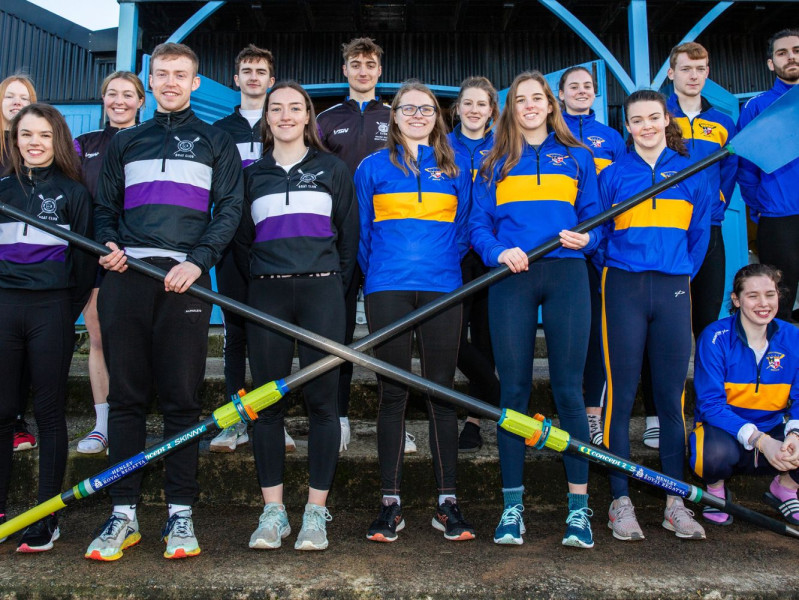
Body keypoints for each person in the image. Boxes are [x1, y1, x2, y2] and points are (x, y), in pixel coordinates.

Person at [86, 42, 243, 561]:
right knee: (128, 399)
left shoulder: (215, 139)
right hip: (128, 277)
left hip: (187, 281)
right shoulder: (126, 141)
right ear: (149, 82)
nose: (171, 82)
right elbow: (103, 209)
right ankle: (123, 514)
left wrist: (197, 262)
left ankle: (180, 515)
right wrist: (109, 247)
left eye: (181, 75)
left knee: (181, 400)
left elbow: (229, 210)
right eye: (162, 74)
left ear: (196, 83)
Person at [471, 70, 600, 548]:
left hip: (567, 273)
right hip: (513, 278)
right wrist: (497, 252)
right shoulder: (492, 161)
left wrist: (589, 238)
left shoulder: (580, 158)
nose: (528, 106)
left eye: (536, 98)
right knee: (515, 394)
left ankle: (579, 510)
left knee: (569, 390)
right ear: (511, 108)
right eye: (519, 99)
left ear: (551, 104)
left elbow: (596, 219)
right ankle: (511, 508)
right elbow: (478, 226)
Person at [234, 81, 357, 552]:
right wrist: (270, 277)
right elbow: (242, 244)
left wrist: (327, 284)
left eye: (294, 108)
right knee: (267, 405)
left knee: (324, 405)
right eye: (276, 109)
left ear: (309, 116)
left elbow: (349, 240)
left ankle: (314, 514)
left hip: (323, 293)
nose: (285, 115)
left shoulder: (332, 168)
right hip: (267, 298)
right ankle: (274, 512)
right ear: (267, 118)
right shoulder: (252, 175)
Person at [356, 80, 474, 543]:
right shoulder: (370, 167)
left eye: (426, 109)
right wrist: (382, 272)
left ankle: (447, 503)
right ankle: (390, 504)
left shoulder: (458, 166)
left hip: (443, 287)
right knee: (392, 394)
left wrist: (439, 263)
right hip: (387, 288)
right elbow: (362, 234)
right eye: (408, 108)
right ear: (394, 115)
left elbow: (464, 231)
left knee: (441, 393)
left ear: (438, 116)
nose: (418, 115)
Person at [599, 90, 711, 542]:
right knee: (621, 396)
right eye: (636, 119)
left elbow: (700, 235)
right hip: (623, 287)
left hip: (673, 288)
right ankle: (619, 500)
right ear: (627, 125)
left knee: (669, 397)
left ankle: (673, 501)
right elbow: (599, 235)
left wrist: (677, 272)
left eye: (653, 117)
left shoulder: (692, 172)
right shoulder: (613, 175)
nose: (646, 126)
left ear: (667, 120)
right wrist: (622, 266)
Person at [0, 103, 94, 551]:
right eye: (25, 135)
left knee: (50, 414)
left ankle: (45, 516)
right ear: (14, 140)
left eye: (42, 135)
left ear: (57, 140)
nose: (33, 143)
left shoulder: (74, 193)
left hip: (51, 310)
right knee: (2, 412)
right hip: (3, 308)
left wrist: (62, 308)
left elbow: (82, 268)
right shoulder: (1, 189)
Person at [210, 44, 297, 455]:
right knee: (235, 334)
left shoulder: (281, 124)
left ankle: (273, 421)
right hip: (230, 244)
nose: (253, 77)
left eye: (261, 70)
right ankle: (235, 420)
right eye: (246, 70)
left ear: (271, 79)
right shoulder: (218, 130)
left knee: (273, 335)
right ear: (236, 78)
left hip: (272, 241)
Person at [317, 37, 397, 453]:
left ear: (379, 71)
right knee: (341, 329)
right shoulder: (326, 119)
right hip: (338, 239)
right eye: (355, 63)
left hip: (388, 240)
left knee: (393, 332)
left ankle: (395, 421)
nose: (363, 70)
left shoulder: (396, 117)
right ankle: (341, 414)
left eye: (370, 63)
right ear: (345, 70)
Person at [690, 263, 799, 527]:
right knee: (710, 454)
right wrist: (760, 440)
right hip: (726, 432)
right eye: (753, 296)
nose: (764, 304)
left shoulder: (792, 337)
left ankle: (786, 486)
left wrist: (794, 434)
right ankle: (715, 490)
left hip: (774, 429)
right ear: (737, 300)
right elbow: (710, 405)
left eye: (770, 294)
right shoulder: (715, 337)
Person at [73, 71, 145, 454]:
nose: (119, 101)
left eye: (128, 95)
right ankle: (103, 425)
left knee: (138, 341)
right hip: (95, 254)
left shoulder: (150, 140)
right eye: (111, 94)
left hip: (140, 255)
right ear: (103, 99)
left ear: (140, 101)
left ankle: (134, 420)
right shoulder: (83, 145)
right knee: (99, 338)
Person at [557, 65, 626, 448]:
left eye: (588, 86)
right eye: (574, 86)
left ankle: (592, 416)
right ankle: (567, 407)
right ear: (561, 93)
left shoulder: (612, 137)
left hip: (602, 248)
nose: (582, 91)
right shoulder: (553, 134)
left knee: (598, 334)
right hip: (563, 249)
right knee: (569, 333)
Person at [447, 76, 501, 454]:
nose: (473, 110)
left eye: (481, 104)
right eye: (467, 103)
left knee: (486, 334)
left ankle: (474, 419)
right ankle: (496, 393)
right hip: (450, 250)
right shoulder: (440, 146)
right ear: (458, 108)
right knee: (448, 332)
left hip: (492, 250)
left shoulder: (504, 147)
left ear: (492, 110)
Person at [738, 29, 799, 322]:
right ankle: (782, 365)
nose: (791, 57)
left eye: (797, 50)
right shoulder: (757, 107)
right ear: (771, 63)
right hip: (778, 217)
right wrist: (761, 205)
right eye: (782, 52)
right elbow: (745, 166)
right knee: (780, 301)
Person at [0, 74, 39, 453]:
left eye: (22, 96)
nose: (15, 101)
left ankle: (15, 421)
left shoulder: (32, 150)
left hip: (19, 267)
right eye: (9, 96)